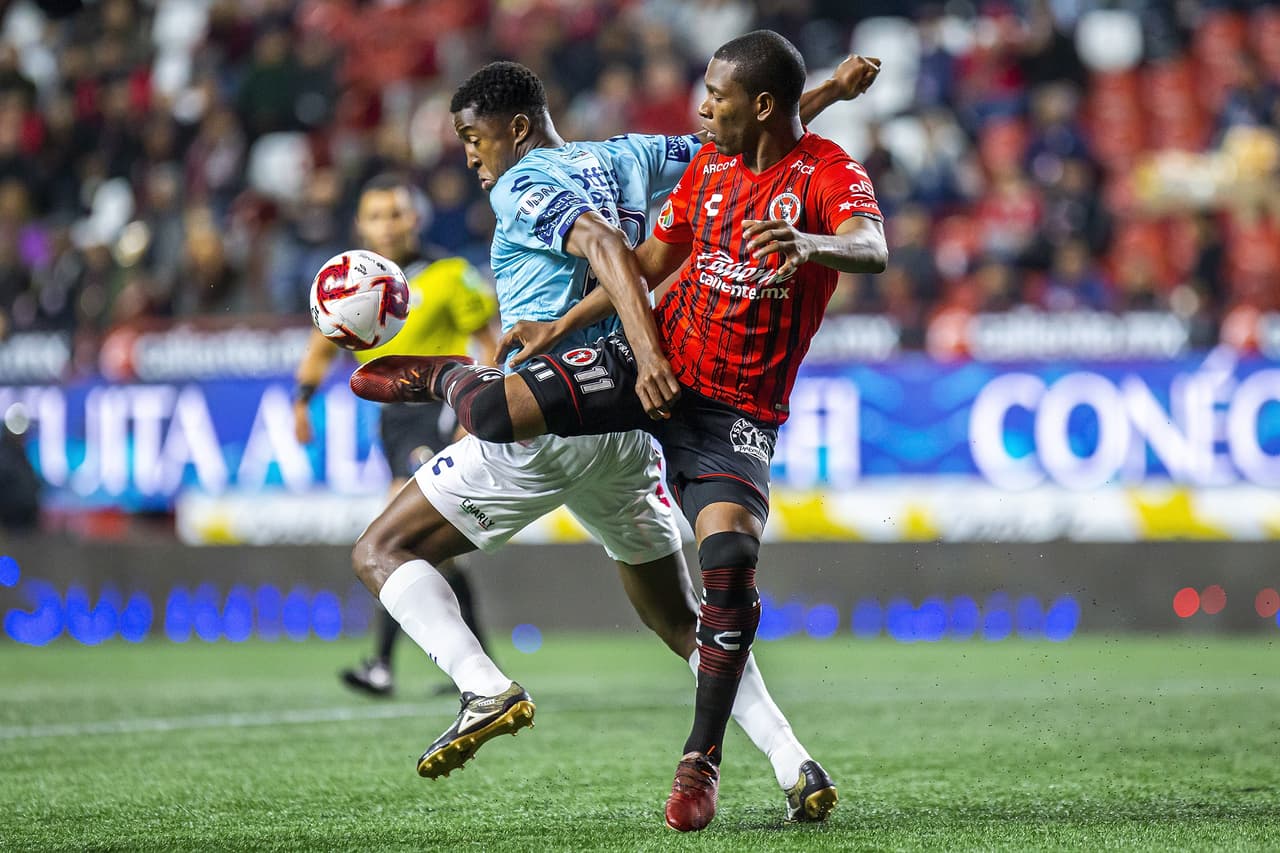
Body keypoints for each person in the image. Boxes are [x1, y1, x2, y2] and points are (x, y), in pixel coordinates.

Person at [353, 31, 888, 832]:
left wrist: (643, 353)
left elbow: (609, 248)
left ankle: (482, 681)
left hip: (573, 406)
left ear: (519, 130)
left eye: (473, 137)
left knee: (379, 548)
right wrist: (830, 92)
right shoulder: (630, 155)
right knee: (684, 622)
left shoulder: (522, 182)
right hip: (628, 429)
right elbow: (752, 142)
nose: (470, 156)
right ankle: (790, 756)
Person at [293, 173, 499, 697]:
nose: (386, 225)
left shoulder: (452, 274)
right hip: (391, 420)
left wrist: (475, 408)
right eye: (375, 215)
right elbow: (322, 345)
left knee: (394, 535)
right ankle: (480, 661)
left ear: (416, 218)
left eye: (396, 213)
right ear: (360, 223)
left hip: (437, 406)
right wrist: (302, 402)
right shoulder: (347, 281)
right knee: (435, 552)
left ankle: (381, 664)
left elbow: (492, 342)